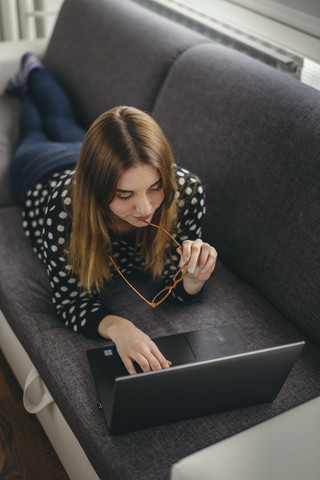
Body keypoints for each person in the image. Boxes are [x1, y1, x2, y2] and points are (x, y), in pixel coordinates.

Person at [7, 53, 218, 375]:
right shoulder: (65, 210)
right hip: (40, 167)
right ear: (96, 190)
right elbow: (69, 301)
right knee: (33, 129)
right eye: (125, 196)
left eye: (155, 187)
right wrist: (119, 327)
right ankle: (29, 77)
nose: (146, 209)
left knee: (62, 121)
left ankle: (32, 74)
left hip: (94, 158)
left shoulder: (186, 192)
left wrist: (193, 280)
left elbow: (178, 288)